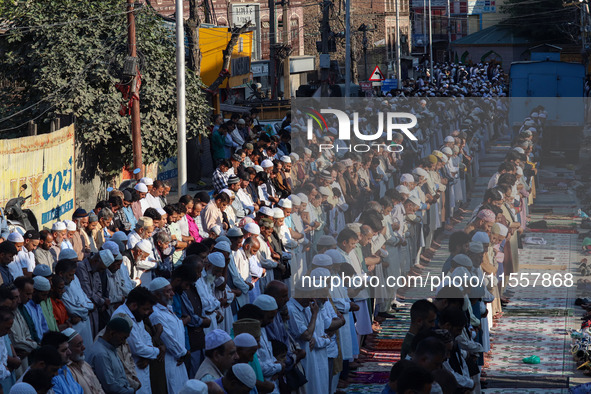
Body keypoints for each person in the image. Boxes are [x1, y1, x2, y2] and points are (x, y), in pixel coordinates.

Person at [112, 287, 163, 394]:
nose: (149, 312)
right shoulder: (122, 317)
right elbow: (137, 347)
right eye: (146, 309)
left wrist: (148, 354)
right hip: (132, 368)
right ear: (134, 305)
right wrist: (158, 351)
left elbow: (146, 337)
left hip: (142, 365)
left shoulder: (137, 315)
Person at [147, 277, 189, 394]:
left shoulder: (168, 309)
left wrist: (182, 353)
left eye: (171, 290)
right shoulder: (155, 314)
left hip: (179, 358)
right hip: (170, 361)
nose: (172, 294)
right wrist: (183, 353)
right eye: (168, 291)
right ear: (156, 295)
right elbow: (168, 338)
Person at [87, 318, 135, 394]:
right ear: (112, 333)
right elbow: (111, 387)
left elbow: (121, 378)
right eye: (123, 338)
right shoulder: (101, 354)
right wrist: (132, 391)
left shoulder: (111, 348)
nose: (124, 342)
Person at [61, 328, 104, 394]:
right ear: (68, 349)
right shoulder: (67, 371)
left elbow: (99, 388)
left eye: (82, 343)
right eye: (78, 345)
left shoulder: (85, 365)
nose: (83, 347)